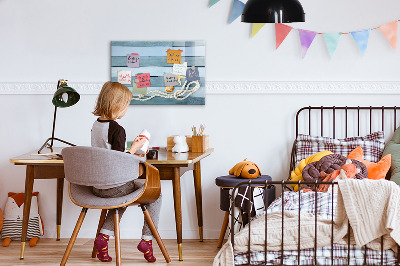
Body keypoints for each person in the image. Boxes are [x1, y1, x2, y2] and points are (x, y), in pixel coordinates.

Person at [91, 81, 161, 263]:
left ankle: (103, 238)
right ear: (117, 105)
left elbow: (108, 154)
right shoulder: (117, 129)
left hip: (97, 186)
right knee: (156, 194)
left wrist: (130, 149)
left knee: (122, 198)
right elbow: (118, 161)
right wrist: (135, 149)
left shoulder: (96, 125)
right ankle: (147, 240)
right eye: (127, 105)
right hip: (114, 186)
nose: (127, 109)